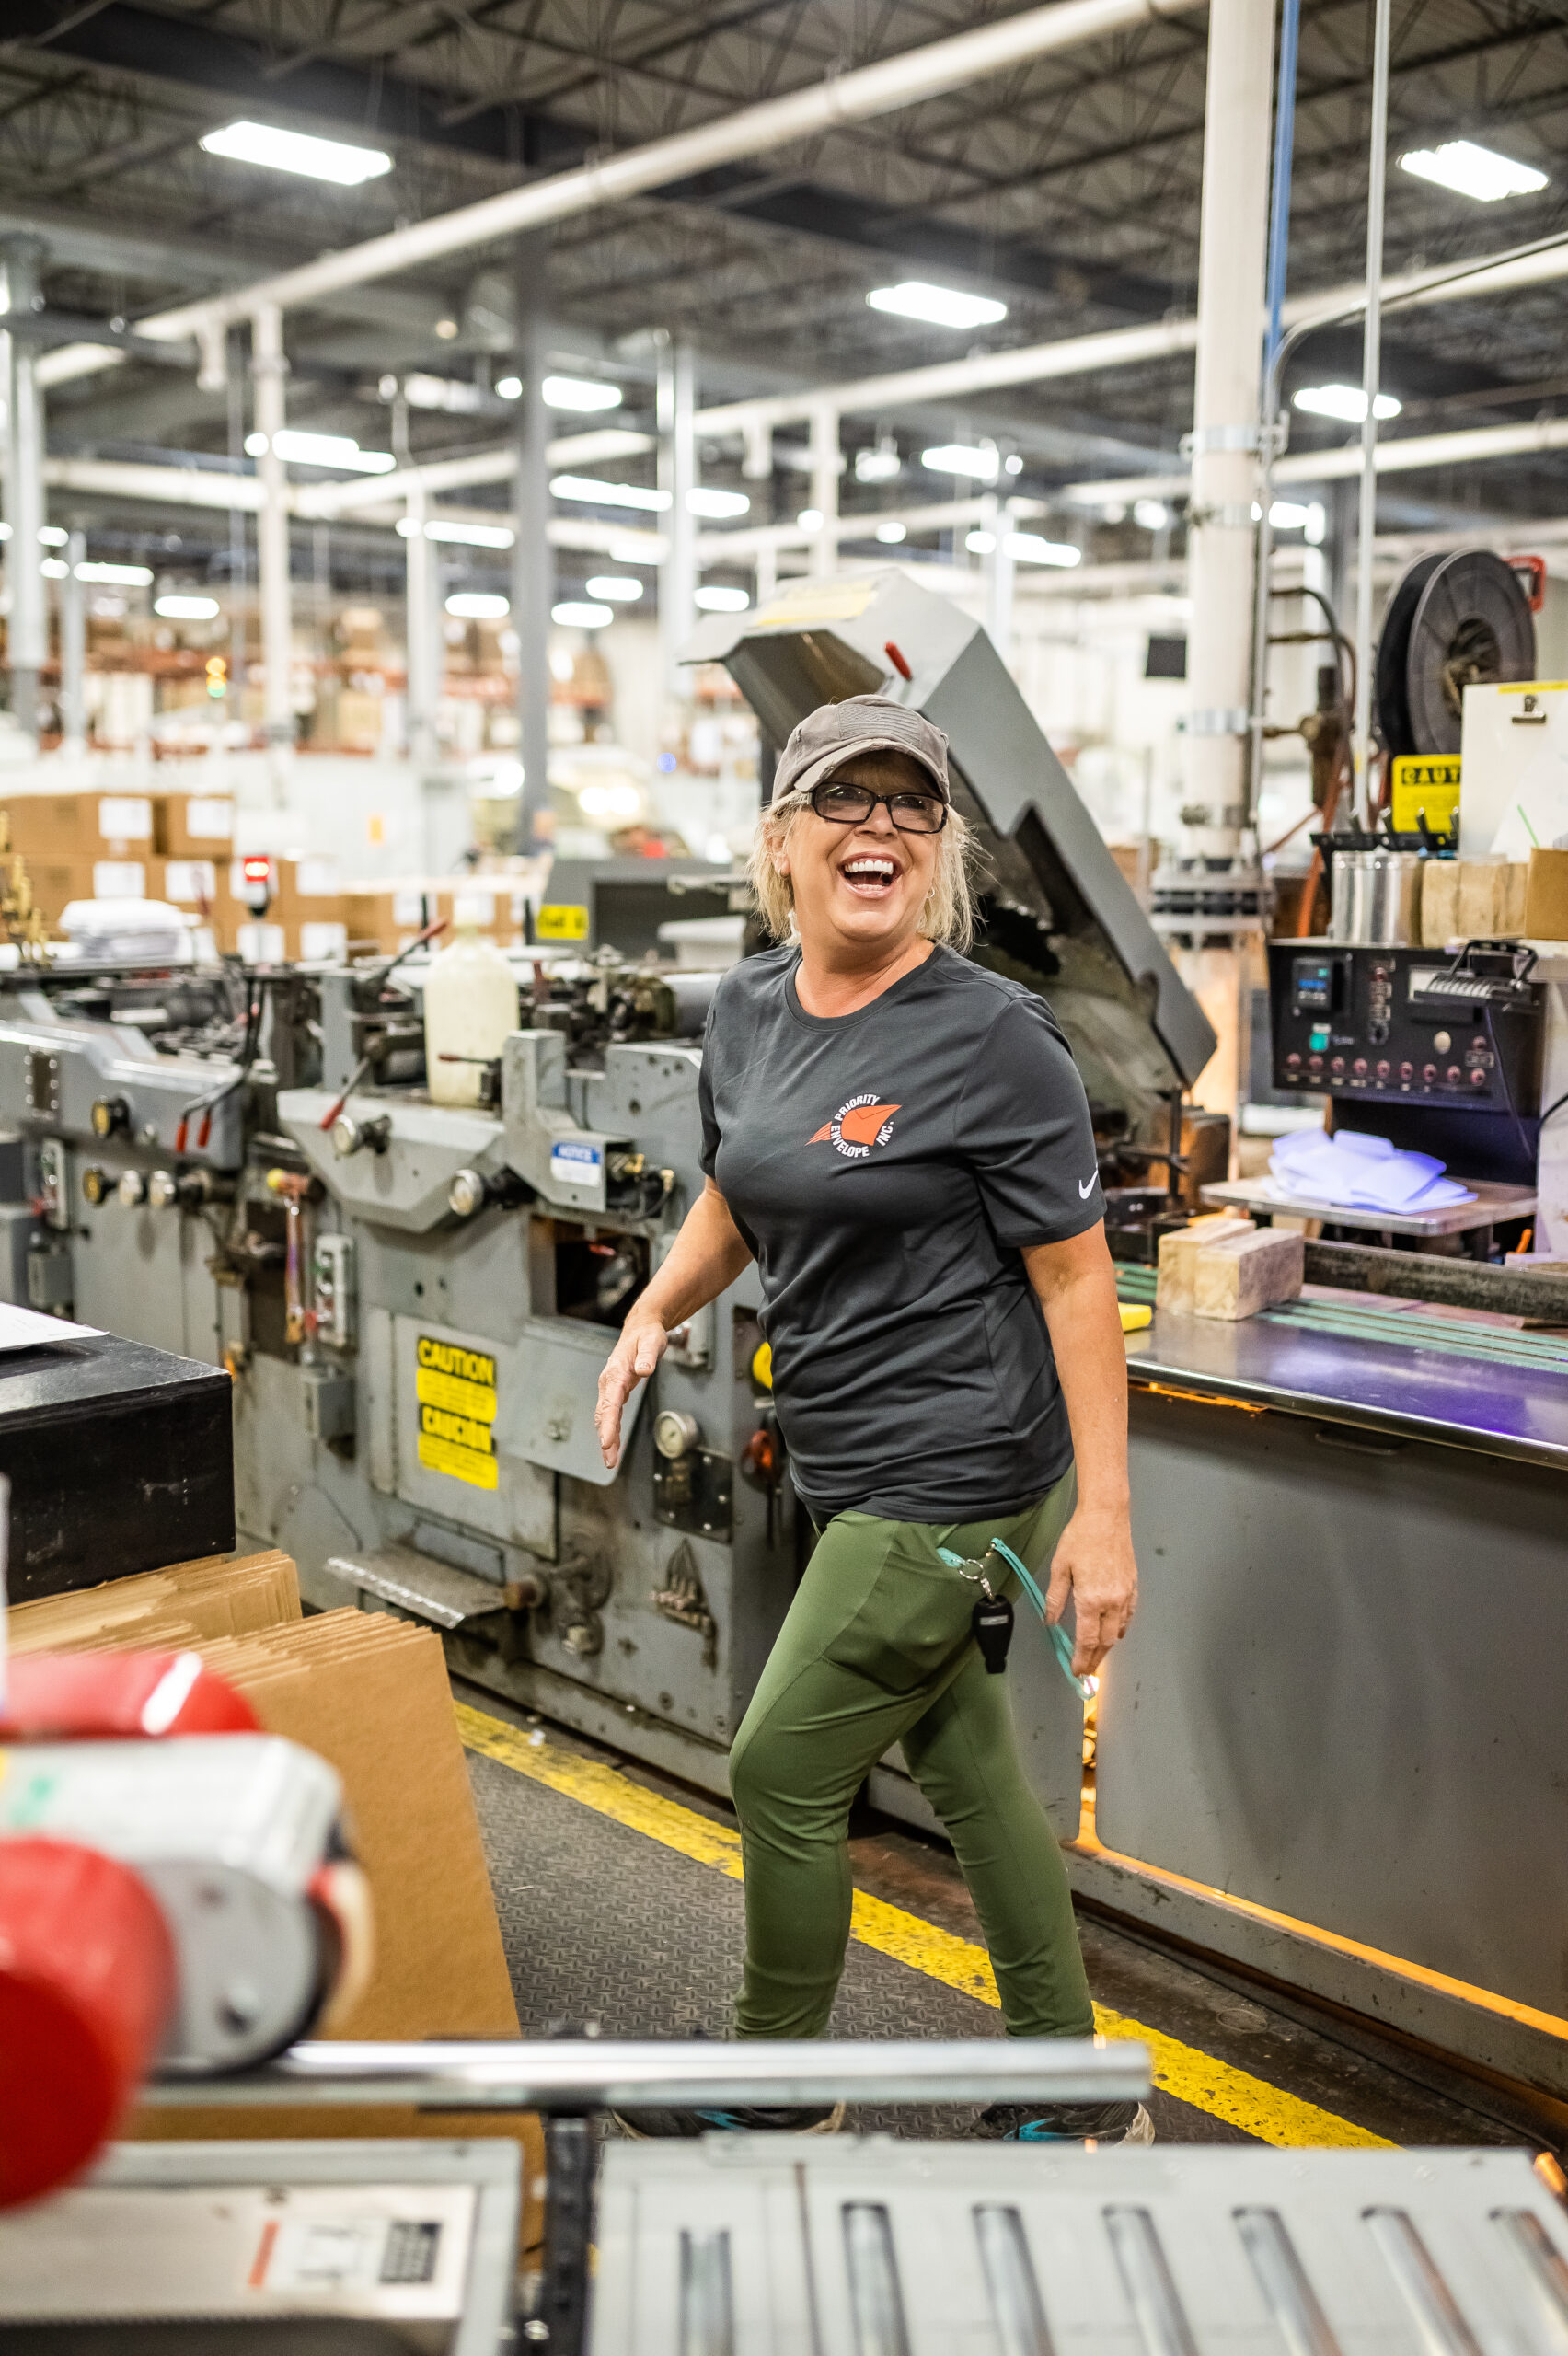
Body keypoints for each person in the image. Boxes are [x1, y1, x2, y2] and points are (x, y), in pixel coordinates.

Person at [595, 694, 1146, 2145]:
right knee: (964, 1762)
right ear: (781, 841)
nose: (879, 830)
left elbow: (1080, 1282)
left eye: (911, 808)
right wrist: (660, 1304)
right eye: (847, 802)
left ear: (941, 851)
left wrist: (1104, 1517)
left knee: (779, 1763)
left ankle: (778, 2084)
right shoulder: (751, 1007)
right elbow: (740, 1182)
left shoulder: (991, 1038)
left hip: (957, 1466)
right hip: (848, 1457)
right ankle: (1074, 2085)